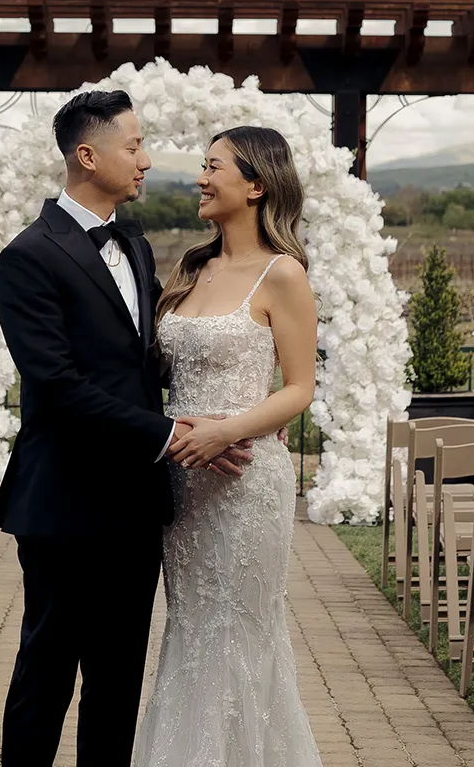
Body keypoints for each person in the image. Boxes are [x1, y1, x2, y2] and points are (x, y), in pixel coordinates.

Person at [0, 90, 254, 767]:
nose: (146, 159)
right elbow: (60, 386)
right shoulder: (28, 256)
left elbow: (142, 361)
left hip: (136, 501)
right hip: (64, 502)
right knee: (46, 670)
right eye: (133, 146)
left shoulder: (134, 243)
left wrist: (236, 403)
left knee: (118, 681)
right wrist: (170, 434)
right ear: (88, 154)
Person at [133, 125, 324, 767]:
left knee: (240, 632)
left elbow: (299, 389)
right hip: (184, 485)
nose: (200, 178)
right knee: (191, 631)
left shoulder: (284, 275)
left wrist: (228, 429)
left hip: (245, 481)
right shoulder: (192, 269)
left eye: (213, 166)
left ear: (256, 183)